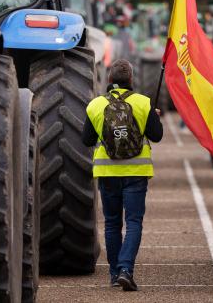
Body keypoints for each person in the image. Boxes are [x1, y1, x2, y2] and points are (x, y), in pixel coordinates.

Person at [81, 59, 163, 291]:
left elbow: (86, 140)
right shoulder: (143, 102)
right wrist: (152, 116)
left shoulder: (95, 105)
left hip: (107, 172)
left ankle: (115, 273)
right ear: (131, 80)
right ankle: (126, 269)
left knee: (112, 223)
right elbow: (157, 136)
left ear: (109, 80)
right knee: (133, 222)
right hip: (136, 172)